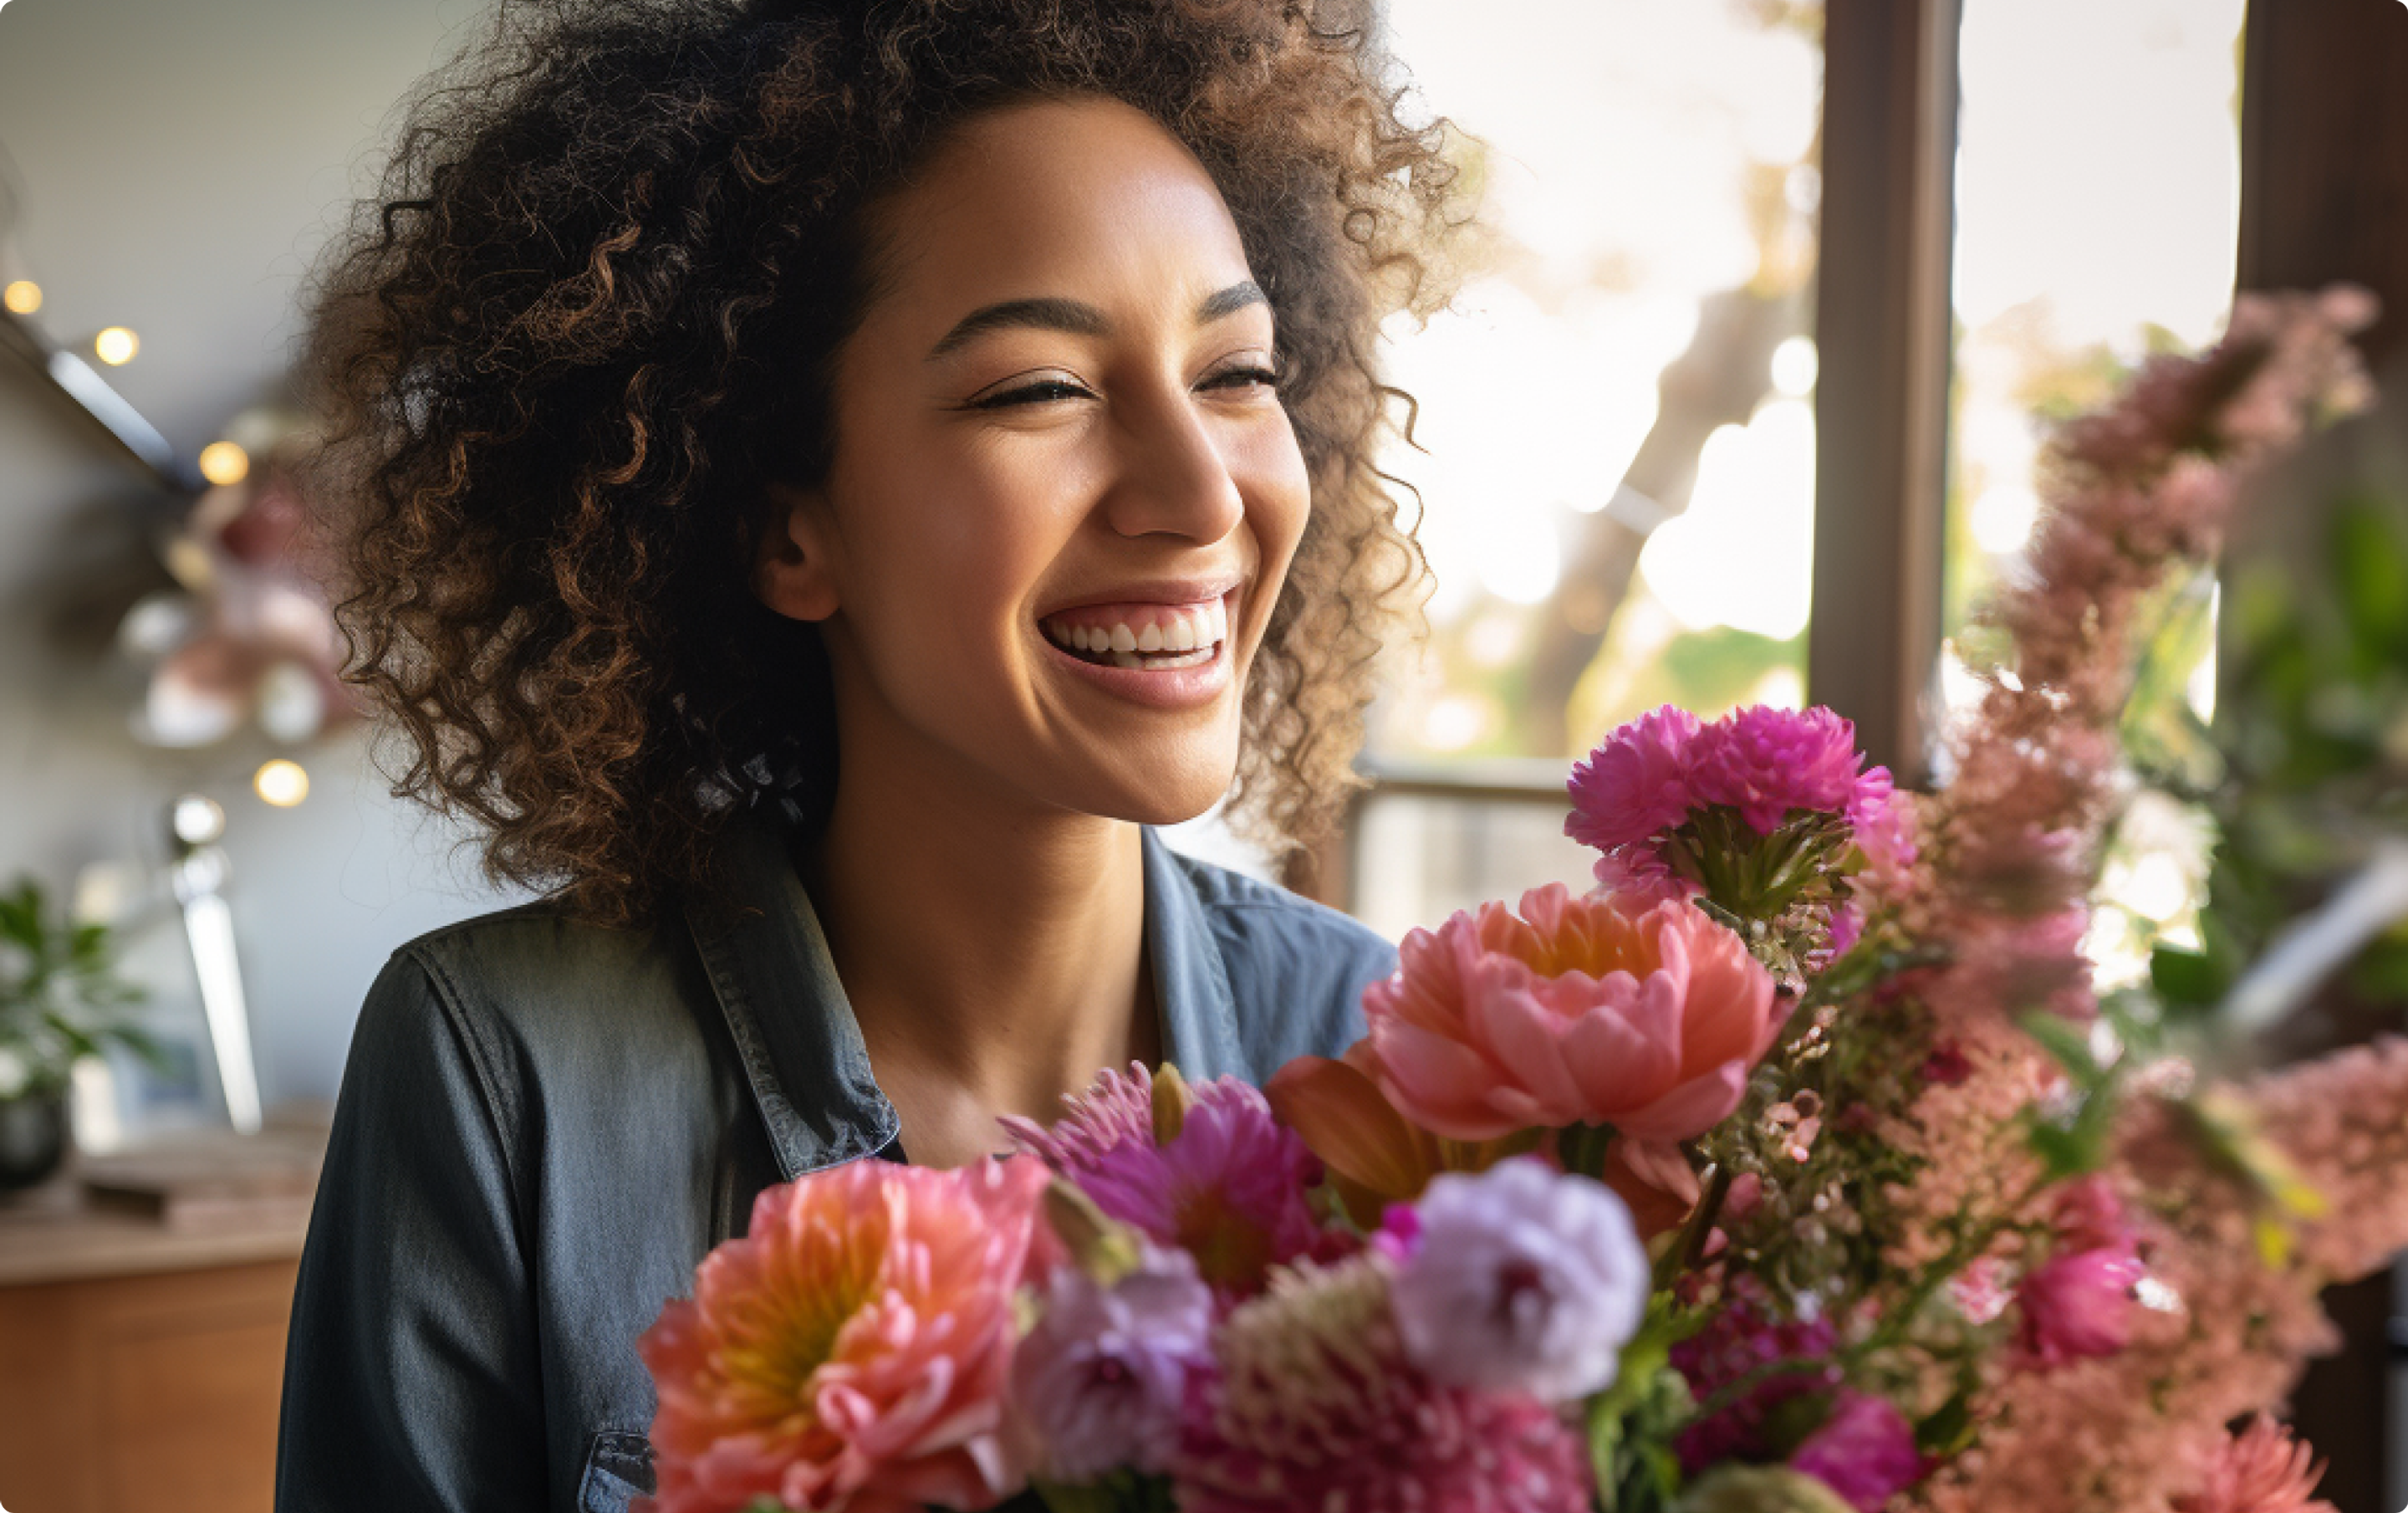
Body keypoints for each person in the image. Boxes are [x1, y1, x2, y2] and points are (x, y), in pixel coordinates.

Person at [276, 0, 1456, 1507]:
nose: (1202, 497)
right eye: (1044, 389)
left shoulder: (1387, 1062)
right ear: (786, 528)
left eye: (1237, 375)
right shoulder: (503, 1077)